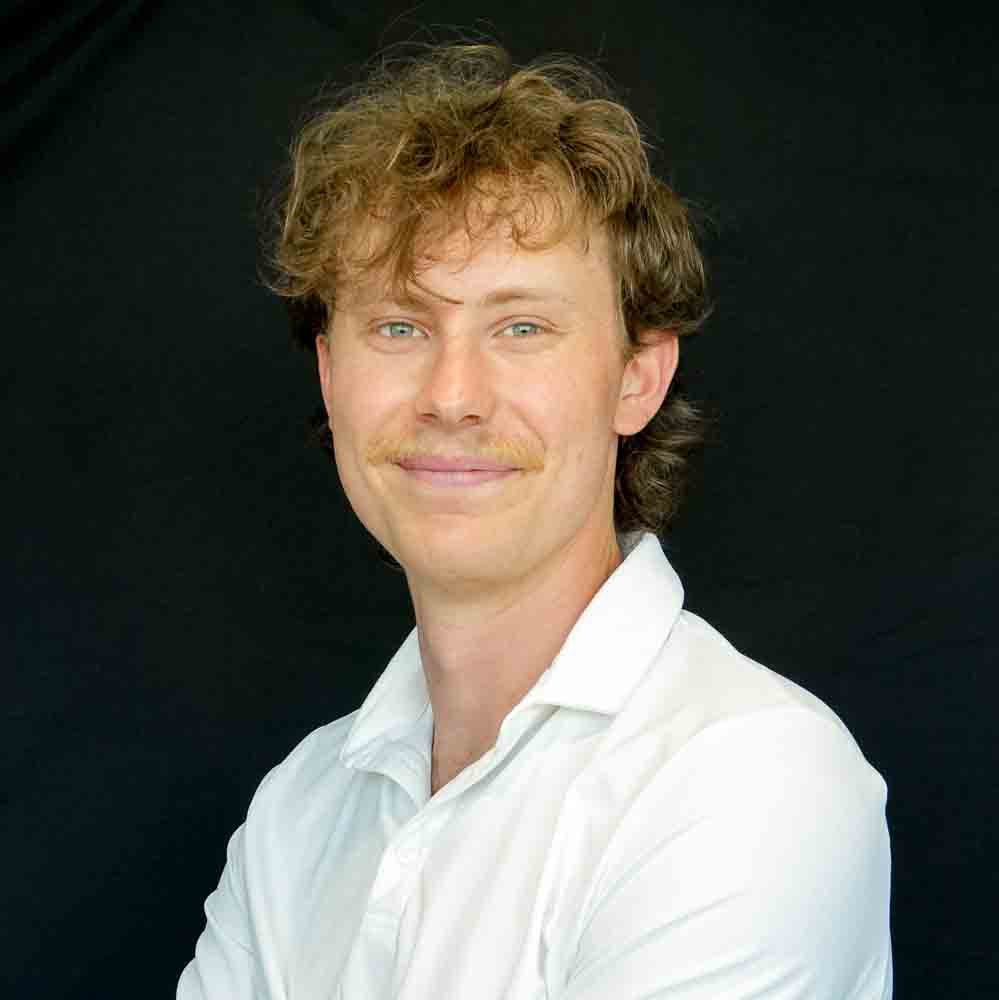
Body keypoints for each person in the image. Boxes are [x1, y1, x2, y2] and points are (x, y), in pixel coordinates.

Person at [177, 42, 893, 999]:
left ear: (637, 377)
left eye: (521, 327)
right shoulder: (300, 810)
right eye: (398, 325)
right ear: (328, 374)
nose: (452, 395)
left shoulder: (751, 776)